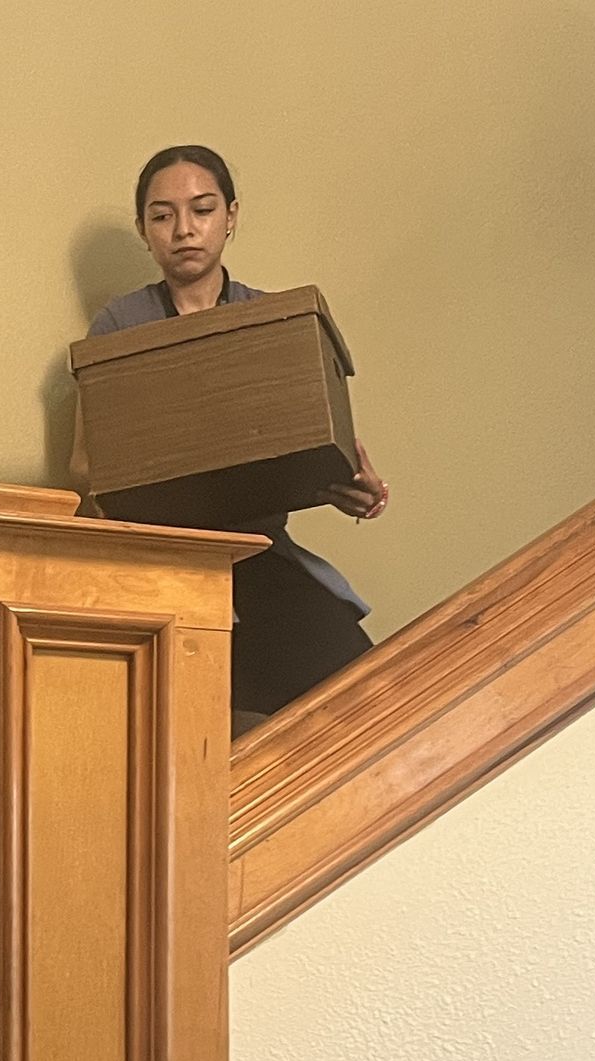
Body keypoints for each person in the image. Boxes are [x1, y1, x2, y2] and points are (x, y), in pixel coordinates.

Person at [72, 144, 391, 725]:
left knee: (363, 697)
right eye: (162, 215)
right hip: (170, 564)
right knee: (205, 729)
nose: (184, 230)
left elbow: (317, 445)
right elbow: (89, 466)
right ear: (144, 230)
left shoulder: (275, 319)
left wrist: (350, 486)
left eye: (202, 209)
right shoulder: (121, 324)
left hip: (263, 555)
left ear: (231, 217)